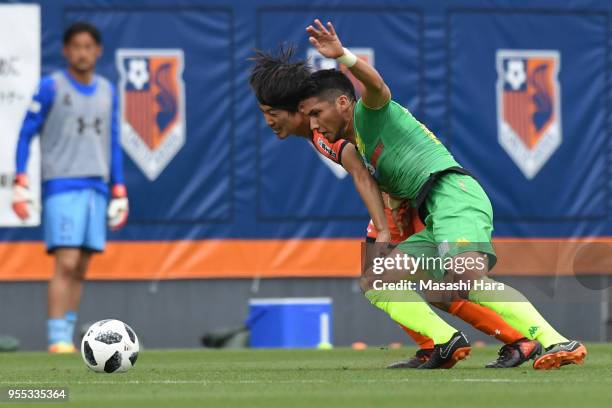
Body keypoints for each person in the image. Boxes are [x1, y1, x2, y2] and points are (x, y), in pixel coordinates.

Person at [300, 19, 586, 369]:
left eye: (316, 113)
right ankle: (444, 341)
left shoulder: (367, 112)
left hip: (454, 194)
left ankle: (557, 341)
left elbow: (376, 86)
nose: (313, 124)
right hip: (434, 213)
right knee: (378, 279)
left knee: (466, 276)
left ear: (343, 102)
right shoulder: (357, 144)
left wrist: (342, 55)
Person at [249, 46, 541, 369]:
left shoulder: (336, 133)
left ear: (295, 109)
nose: (268, 121)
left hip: (407, 202)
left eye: (270, 112)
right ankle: (443, 343)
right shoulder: (318, 132)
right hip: (397, 200)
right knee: (415, 284)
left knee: (426, 283)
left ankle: (511, 339)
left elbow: (364, 176)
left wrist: (385, 227)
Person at [12, 22, 128, 353]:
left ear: (98, 51)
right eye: (76, 46)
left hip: (97, 187)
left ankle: (68, 333)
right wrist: (21, 177)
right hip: (61, 184)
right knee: (65, 260)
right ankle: (56, 338)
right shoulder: (51, 87)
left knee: (81, 265)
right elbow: (24, 133)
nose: (82, 52)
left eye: (89, 46)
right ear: (65, 51)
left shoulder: (108, 91)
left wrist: (118, 187)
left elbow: (113, 141)